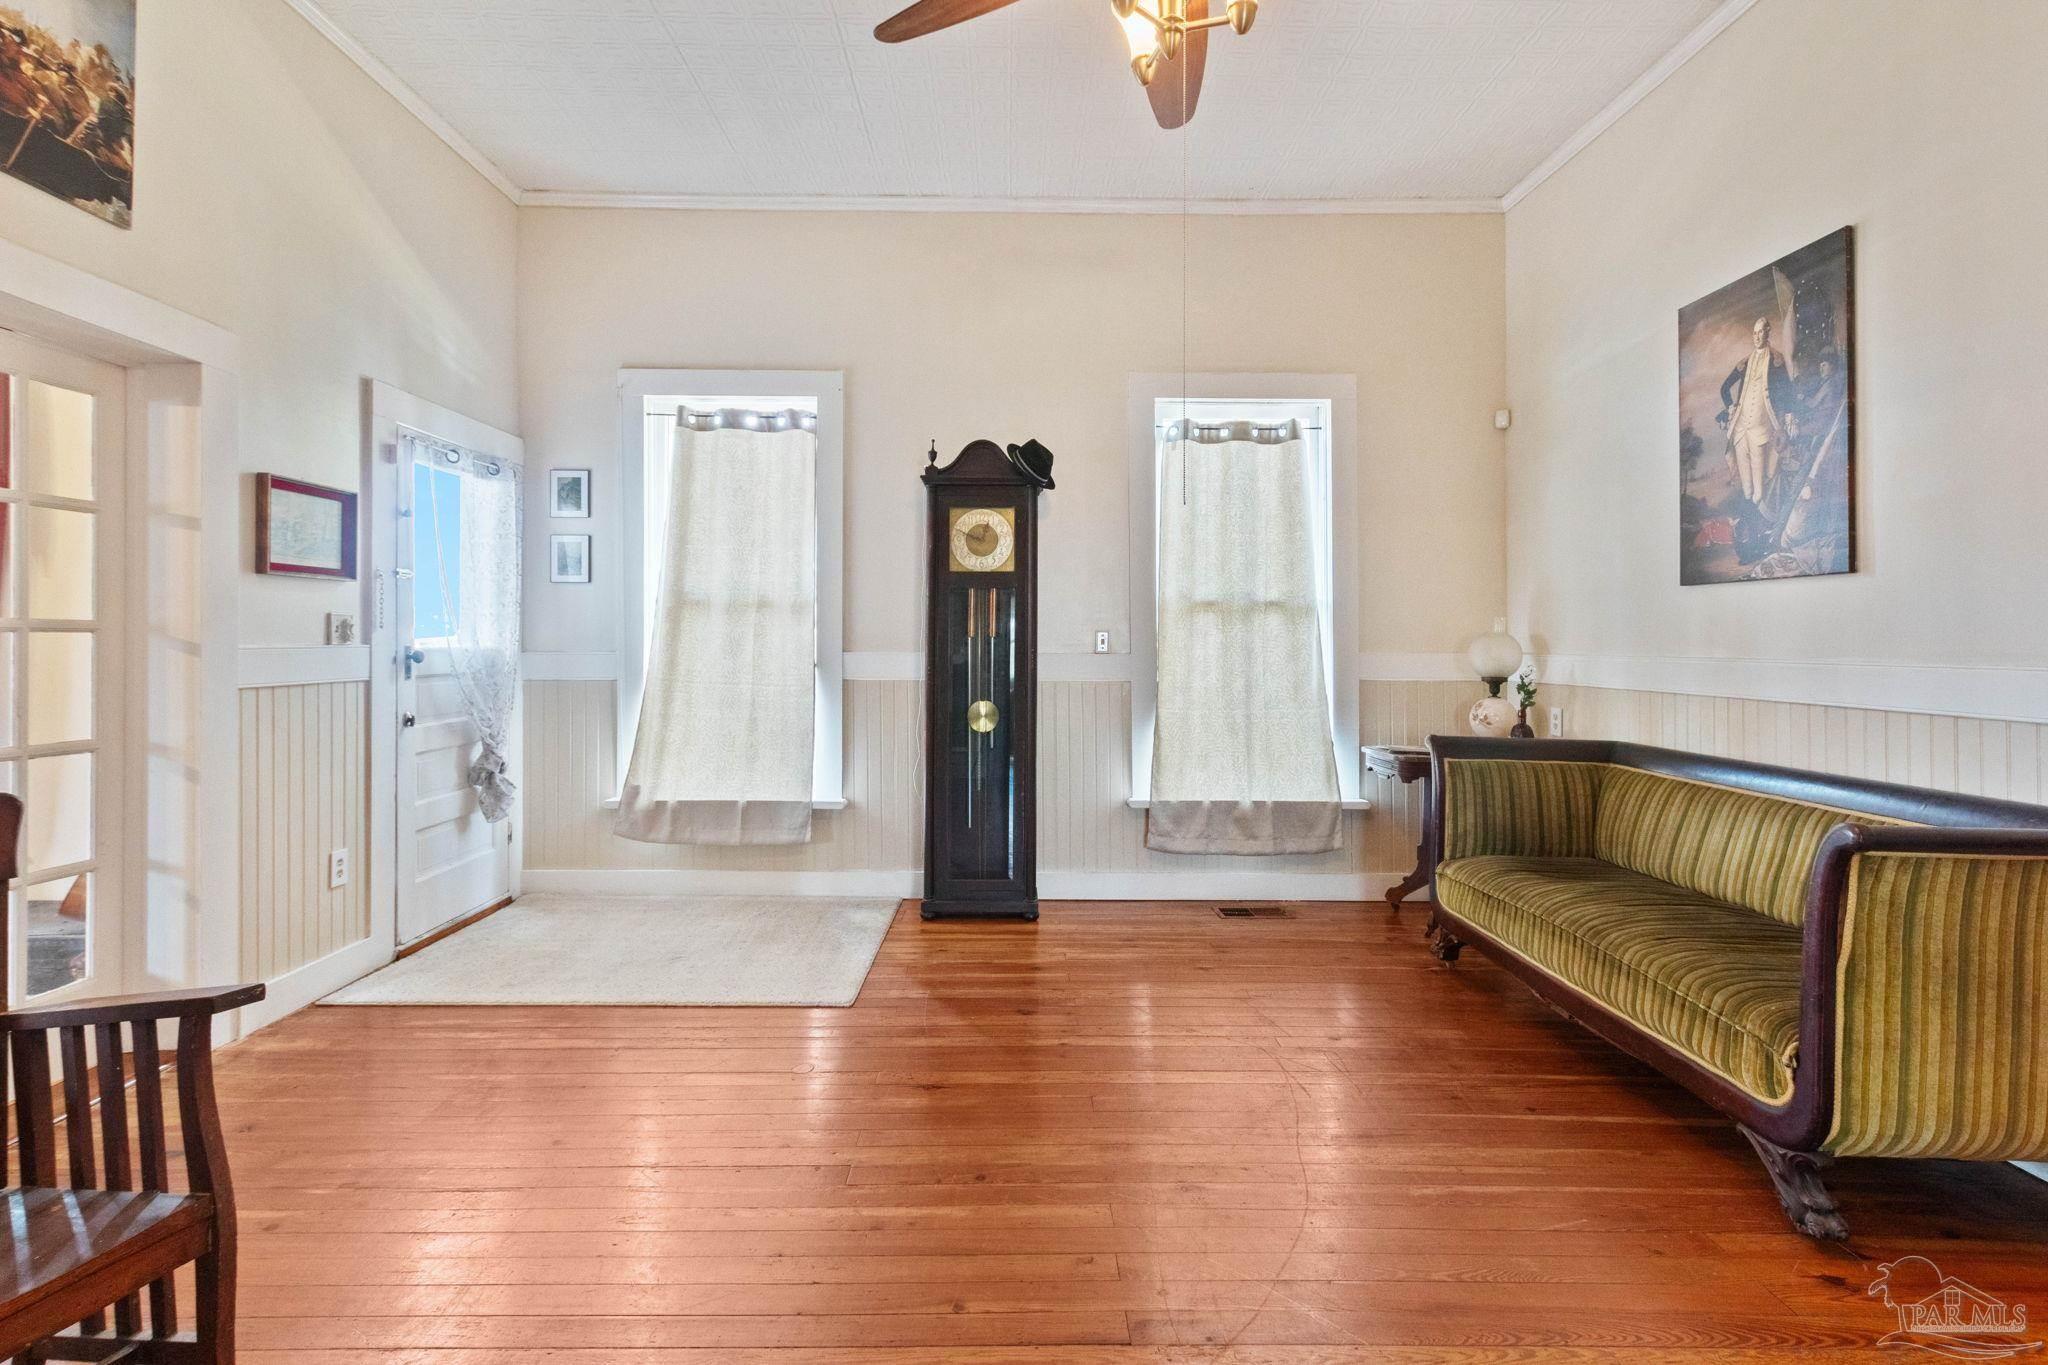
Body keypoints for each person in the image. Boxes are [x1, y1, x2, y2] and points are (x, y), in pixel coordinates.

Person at [1718, 317, 1798, 508]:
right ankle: (1749, 500)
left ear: (1768, 332)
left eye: (1760, 332)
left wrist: (1788, 416)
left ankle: (1760, 500)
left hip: (1763, 424)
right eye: (1754, 333)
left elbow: (1788, 392)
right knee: (1747, 486)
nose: (1757, 336)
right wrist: (1731, 406)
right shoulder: (1744, 363)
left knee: (1759, 488)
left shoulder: (1777, 361)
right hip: (1741, 424)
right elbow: (1724, 388)